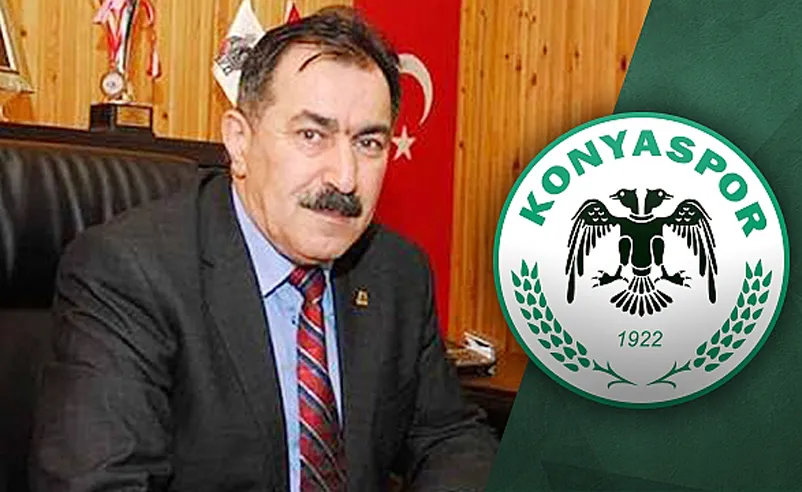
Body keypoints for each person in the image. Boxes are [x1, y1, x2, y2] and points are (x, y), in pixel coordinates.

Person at [29, 6, 499, 491]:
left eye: (369, 143)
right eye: (311, 135)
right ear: (239, 141)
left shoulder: (395, 272)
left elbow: (449, 437)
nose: (345, 177)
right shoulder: (130, 273)